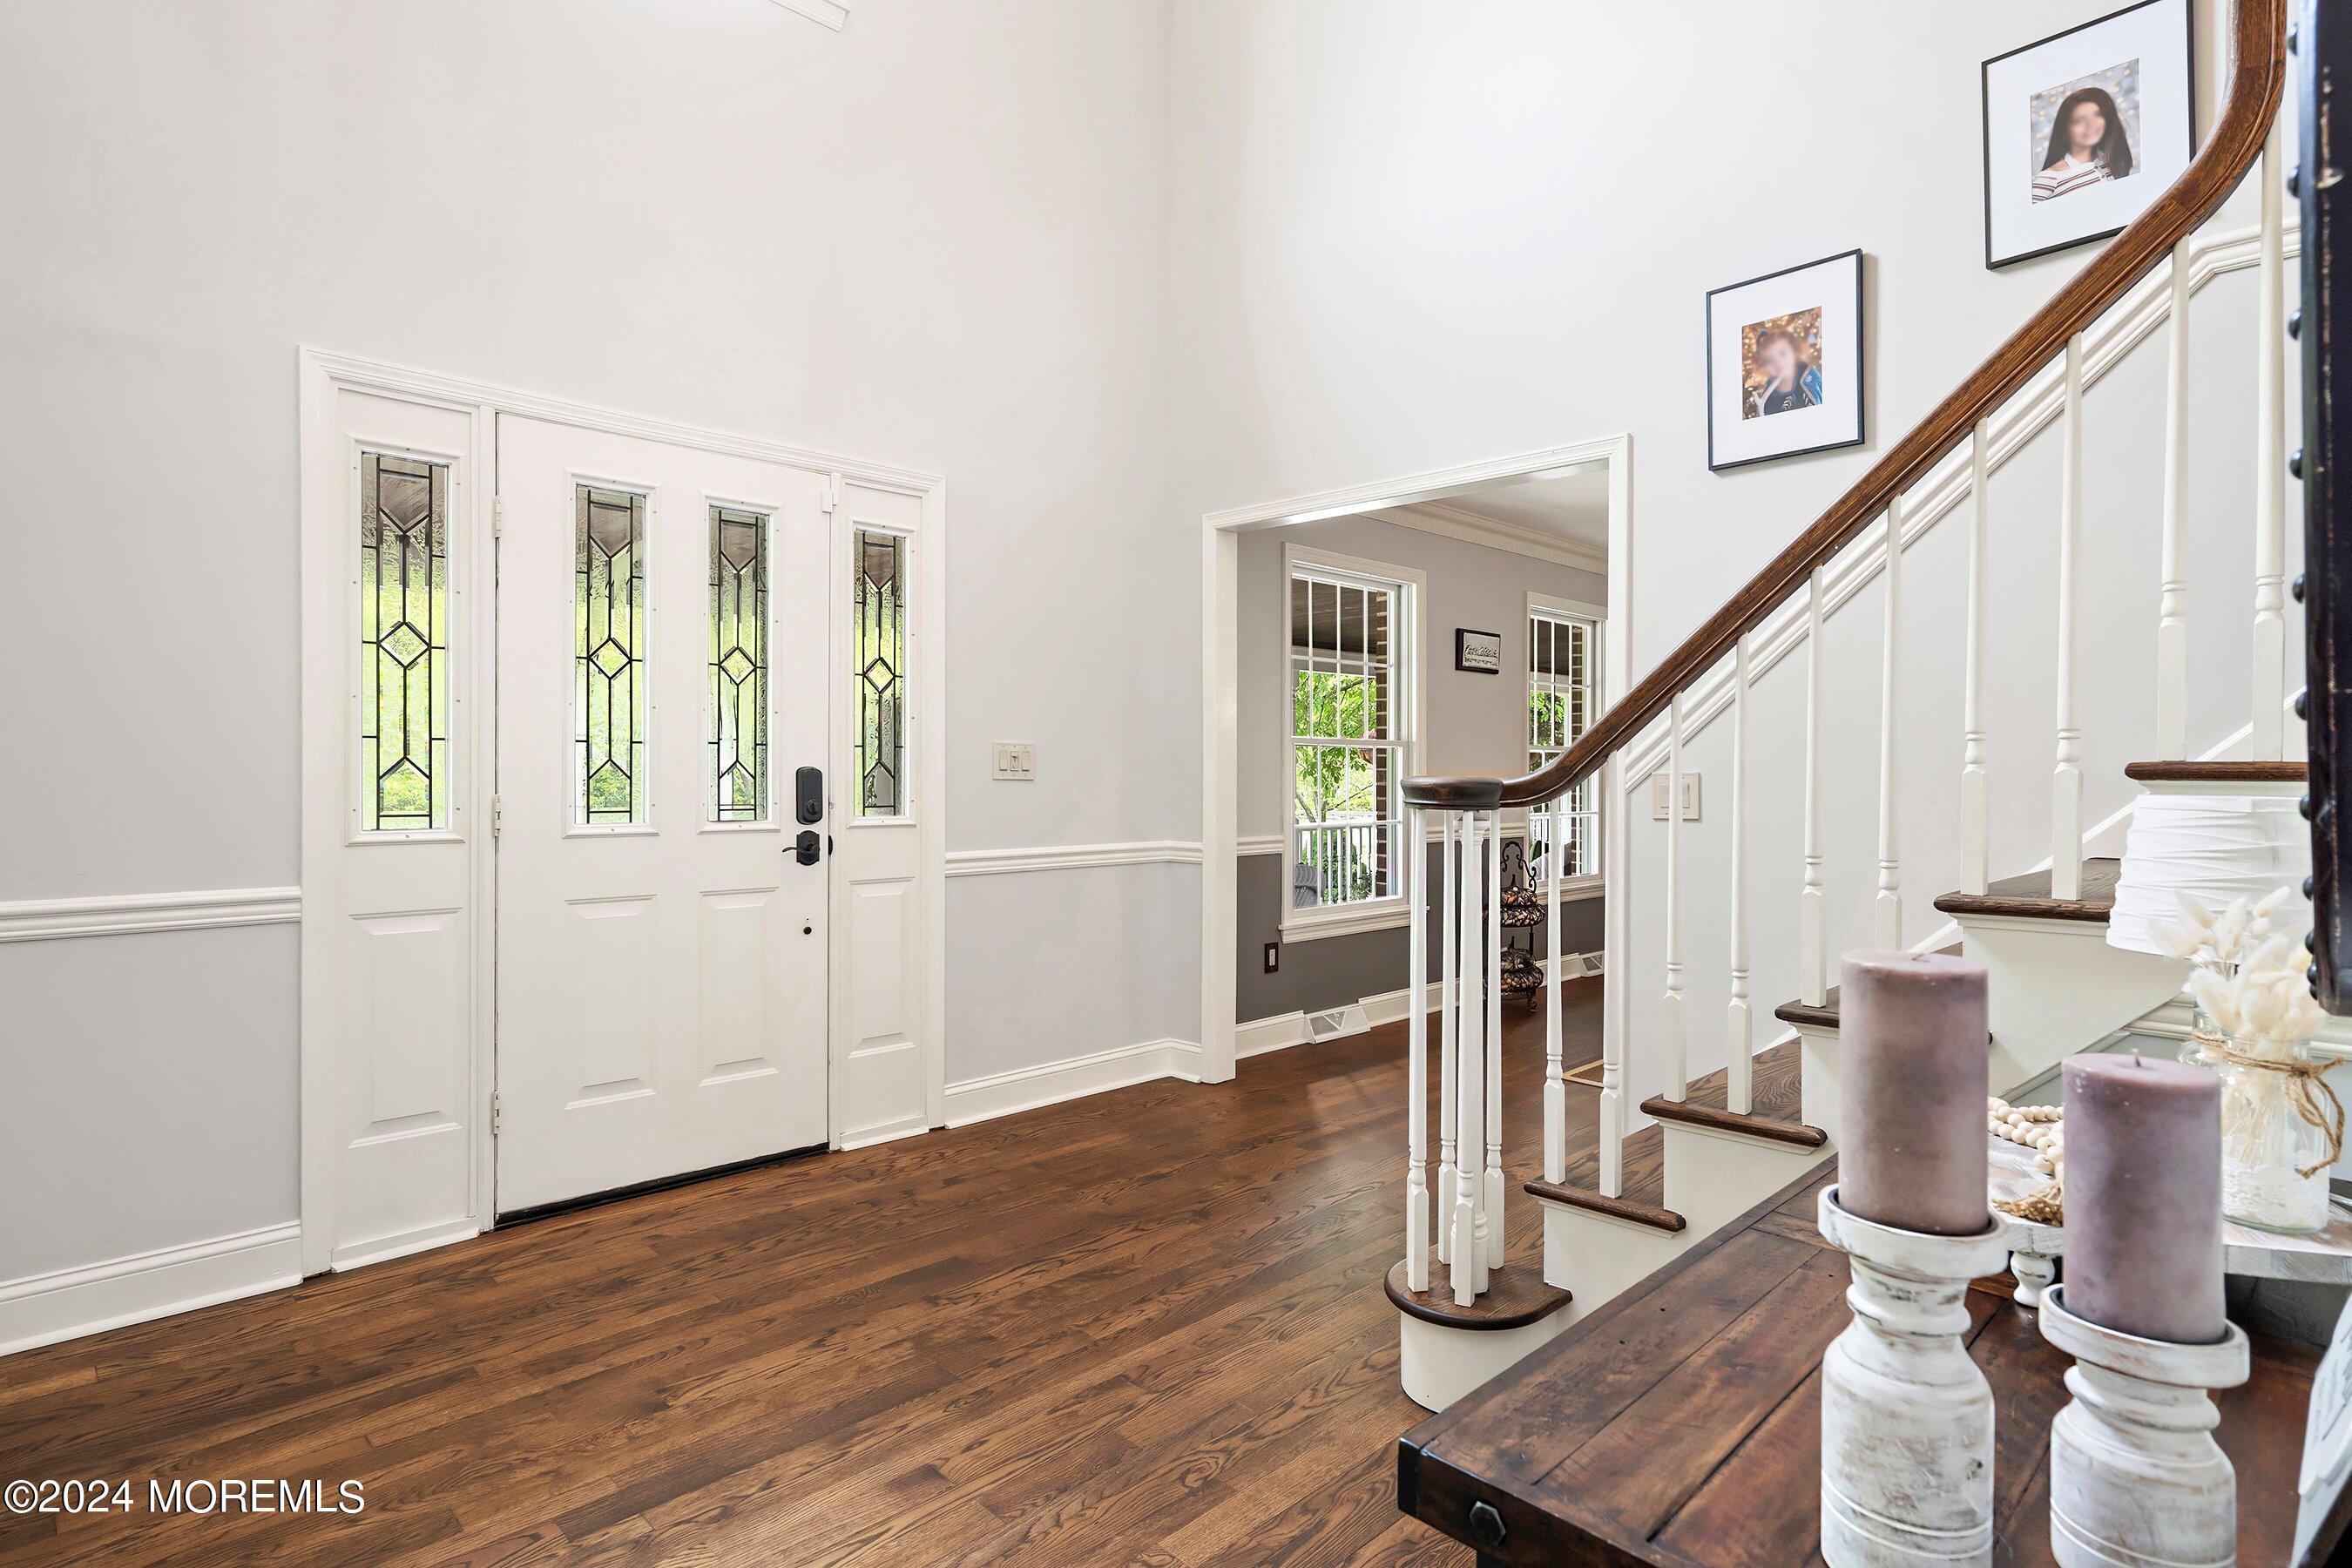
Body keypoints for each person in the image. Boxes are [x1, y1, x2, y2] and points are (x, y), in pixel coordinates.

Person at [2033, 85, 2134, 202]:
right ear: (2064, 130)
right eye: (2079, 120)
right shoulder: (2049, 177)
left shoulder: (2113, 161)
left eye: (2097, 115)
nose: (2091, 125)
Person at [1750, 327, 1822, 416]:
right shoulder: (1768, 400)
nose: (1778, 363)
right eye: (1770, 360)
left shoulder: (1811, 379)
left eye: (1782, 353)